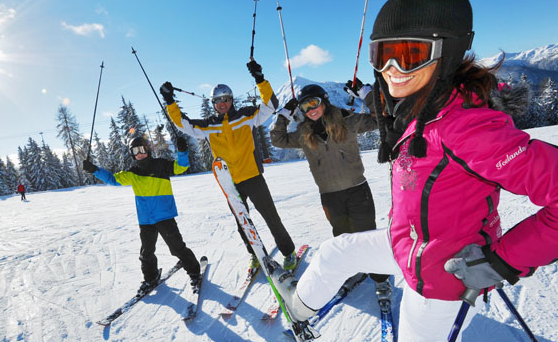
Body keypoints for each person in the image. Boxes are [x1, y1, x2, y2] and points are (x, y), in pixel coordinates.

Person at [270, 0, 558, 342]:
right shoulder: (421, 108)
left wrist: (501, 261)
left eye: (408, 55)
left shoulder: (467, 126)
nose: (391, 70)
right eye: (383, 54)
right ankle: (299, 310)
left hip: (443, 277)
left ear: (446, 52)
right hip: (408, 247)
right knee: (336, 252)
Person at [159, 60, 298, 270]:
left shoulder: (247, 116)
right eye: (217, 100)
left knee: (271, 217)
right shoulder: (208, 126)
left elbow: (270, 104)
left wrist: (260, 78)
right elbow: (182, 123)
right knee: (243, 223)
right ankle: (255, 254)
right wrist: (169, 100)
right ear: (213, 103)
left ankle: (288, 252)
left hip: (253, 177)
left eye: (225, 99)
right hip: (230, 183)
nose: (222, 103)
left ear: (231, 100)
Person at [269, 82, 392, 310]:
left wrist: (366, 94)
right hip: (329, 196)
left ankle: (381, 280)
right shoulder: (303, 134)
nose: (311, 109)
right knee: (342, 238)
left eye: (314, 103)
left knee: (368, 237)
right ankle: (352, 270)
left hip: (357, 190)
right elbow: (277, 139)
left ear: (324, 101)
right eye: (305, 107)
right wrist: (284, 115)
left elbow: (381, 118)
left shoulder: (349, 122)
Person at [82, 135, 203, 296]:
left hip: (164, 215)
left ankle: (195, 273)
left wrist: (182, 151)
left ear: (147, 150)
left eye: (141, 149)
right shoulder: (133, 173)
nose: (139, 153)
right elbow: (112, 179)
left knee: (177, 248)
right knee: (146, 252)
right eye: (135, 151)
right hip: (146, 219)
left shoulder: (161, 165)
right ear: (132, 154)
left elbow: (181, 167)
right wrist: (95, 170)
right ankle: (150, 278)